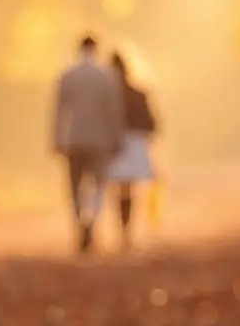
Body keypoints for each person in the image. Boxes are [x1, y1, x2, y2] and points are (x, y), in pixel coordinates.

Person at [51, 35, 126, 254]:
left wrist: (56, 139)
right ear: (96, 49)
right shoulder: (106, 76)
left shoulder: (67, 75)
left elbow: (58, 111)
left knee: (75, 187)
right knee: (98, 186)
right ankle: (91, 221)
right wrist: (117, 137)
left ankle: (79, 223)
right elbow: (114, 111)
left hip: (73, 138)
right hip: (100, 139)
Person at [107, 52, 159, 248]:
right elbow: (152, 124)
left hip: (115, 145)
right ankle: (126, 231)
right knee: (128, 189)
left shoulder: (108, 96)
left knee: (119, 189)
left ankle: (123, 229)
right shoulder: (138, 93)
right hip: (133, 146)